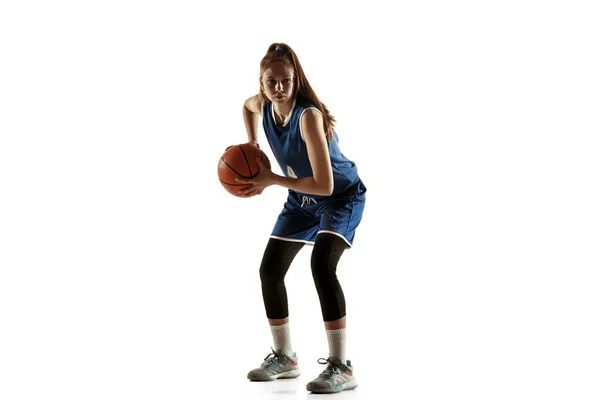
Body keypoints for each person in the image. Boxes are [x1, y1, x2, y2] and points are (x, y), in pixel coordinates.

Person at [236, 42, 367, 394]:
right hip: (300, 197)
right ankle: (285, 357)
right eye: (271, 81)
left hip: (339, 196)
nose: (278, 87)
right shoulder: (261, 103)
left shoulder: (308, 116)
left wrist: (271, 179)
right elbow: (246, 107)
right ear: (262, 83)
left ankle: (341, 367)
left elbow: (324, 185)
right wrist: (253, 145)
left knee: (322, 264)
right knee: (269, 270)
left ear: (296, 81)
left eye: (286, 81)